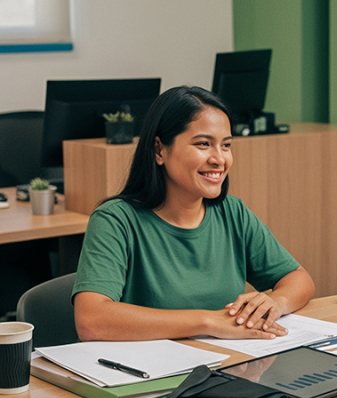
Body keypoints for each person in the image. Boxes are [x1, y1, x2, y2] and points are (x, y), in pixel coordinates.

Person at [72, 86, 315, 341]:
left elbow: (299, 279)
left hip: (226, 364)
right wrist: (208, 321)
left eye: (226, 145)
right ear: (159, 151)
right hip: (152, 374)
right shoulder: (115, 220)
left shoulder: (232, 212)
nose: (219, 159)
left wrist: (275, 302)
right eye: (203, 144)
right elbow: (91, 321)